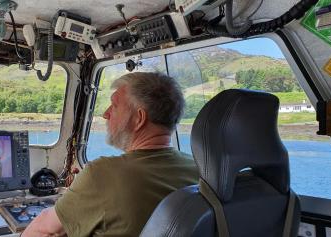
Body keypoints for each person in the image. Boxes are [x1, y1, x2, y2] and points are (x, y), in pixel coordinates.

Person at [22, 72, 199, 237]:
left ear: (139, 118)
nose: (105, 114)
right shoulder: (198, 170)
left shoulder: (101, 173)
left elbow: (45, 228)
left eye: (114, 105)